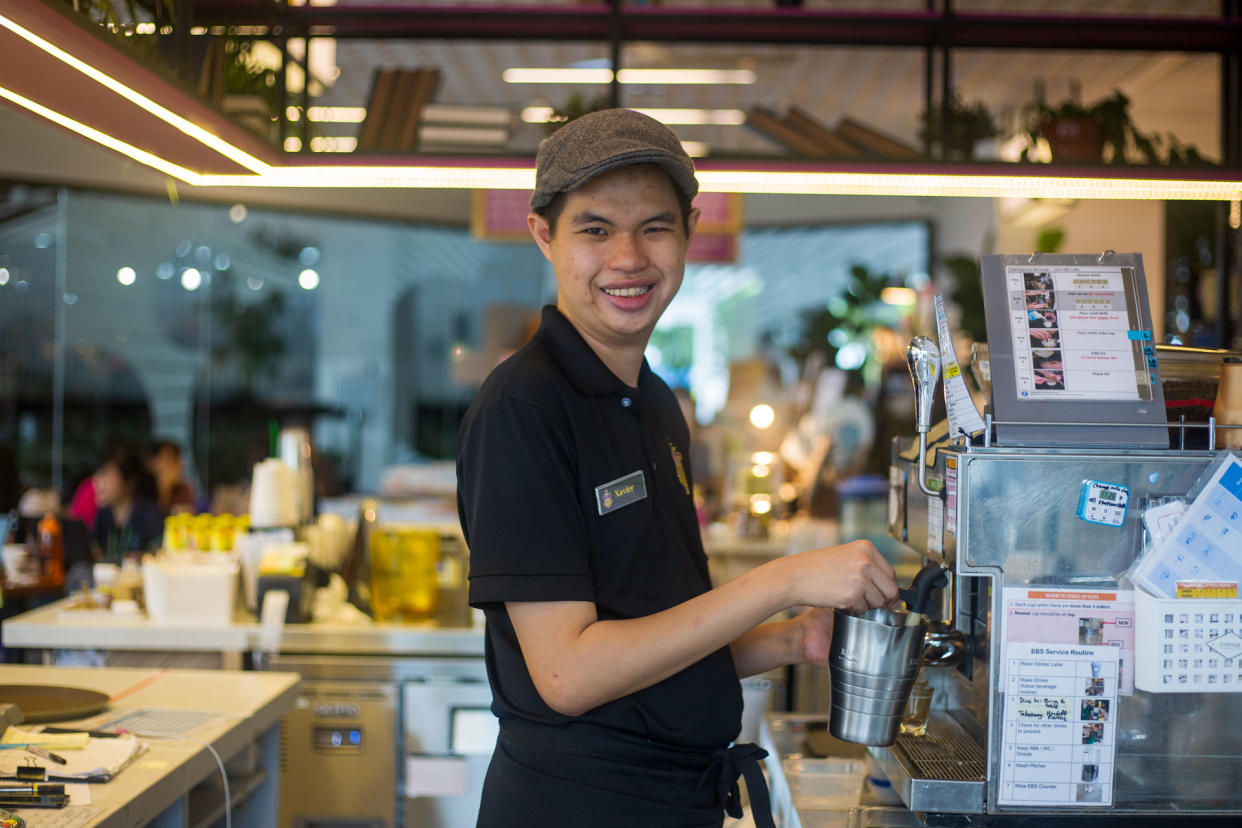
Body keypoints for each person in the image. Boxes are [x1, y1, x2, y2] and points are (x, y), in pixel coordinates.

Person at [456, 109, 899, 828]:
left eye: (654, 228)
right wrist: (782, 579)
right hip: (579, 809)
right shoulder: (524, 408)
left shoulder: (654, 404)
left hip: (671, 802)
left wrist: (791, 640)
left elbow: (651, 642)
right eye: (595, 229)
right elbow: (570, 674)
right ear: (544, 235)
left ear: (689, 231)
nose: (628, 259)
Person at [92, 441, 163, 560]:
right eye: (97, 474)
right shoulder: (103, 515)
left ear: (130, 479)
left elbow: (159, 560)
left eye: (105, 474)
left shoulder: (152, 517)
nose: (97, 482)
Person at [147, 439, 196, 515]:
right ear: (152, 464)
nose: (178, 466)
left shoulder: (183, 491)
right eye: (169, 460)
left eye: (177, 460)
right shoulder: (143, 493)